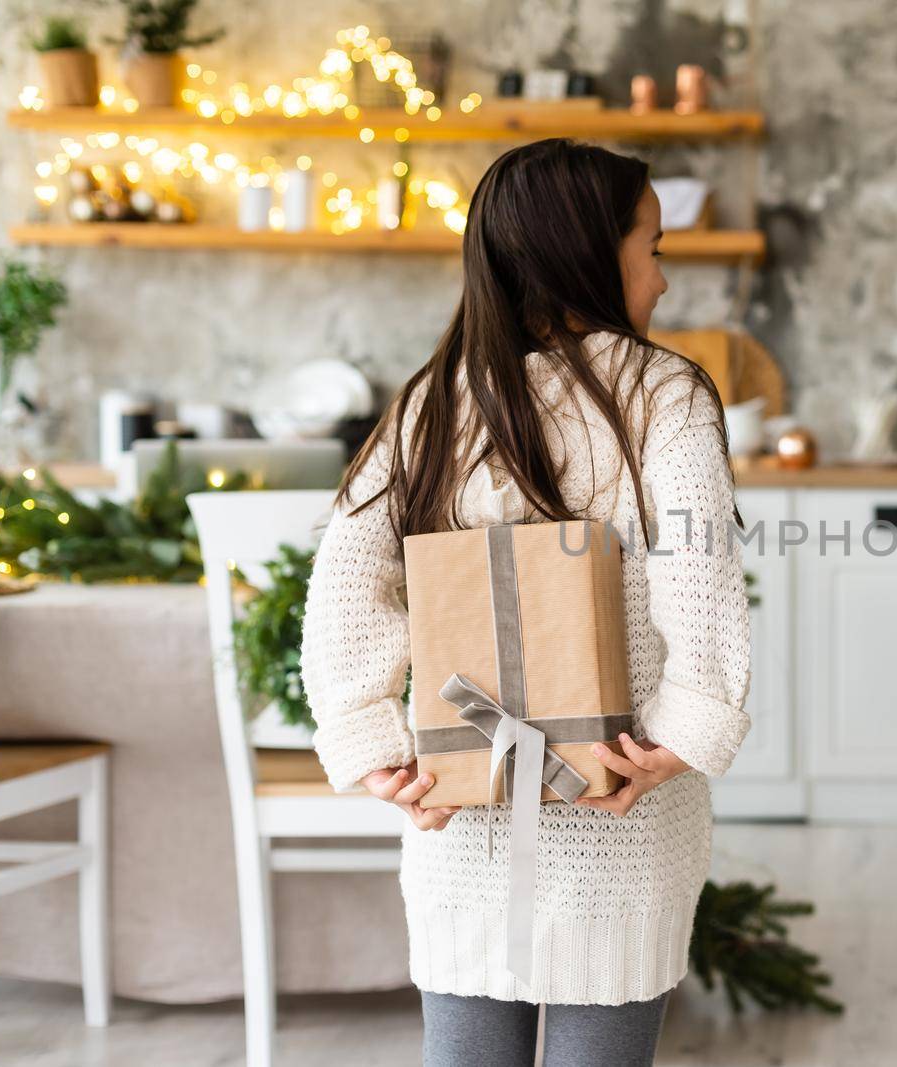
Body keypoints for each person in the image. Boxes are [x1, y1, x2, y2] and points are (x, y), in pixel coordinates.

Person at [298, 138, 754, 1067]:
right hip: (620, 802)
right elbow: (698, 570)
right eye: (654, 249)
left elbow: (347, 571)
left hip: (463, 806)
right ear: (588, 251)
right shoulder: (662, 393)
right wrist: (681, 730)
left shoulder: (431, 402)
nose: (664, 281)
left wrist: (373, 741)